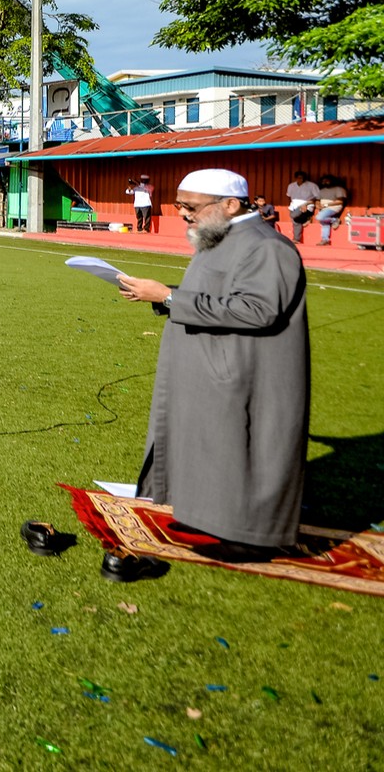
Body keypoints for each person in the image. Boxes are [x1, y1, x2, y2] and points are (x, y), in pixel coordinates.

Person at [114, 169, 311, 575]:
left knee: (248, 452)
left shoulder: (266, 248)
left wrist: (168, 296)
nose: (184, 214)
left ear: (231, 204)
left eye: (191, 206)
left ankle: (251, 538)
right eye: (180, 205)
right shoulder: (219, 238)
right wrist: (163, 297)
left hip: (247, 372)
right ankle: (209, 517)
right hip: (212, 367)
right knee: (212, 449)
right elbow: (210, 297)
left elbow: (259, 310)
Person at [283, 170, 318, 245]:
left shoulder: (312, 186)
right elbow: (289, 196)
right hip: (294, 206)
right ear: (295, 178)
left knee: (294, 216)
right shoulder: (291, 186)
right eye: (299, 178)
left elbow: (317, 197)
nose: (300, 179)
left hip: (307, 205)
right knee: (296, 221)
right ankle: (296, 239)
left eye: (302, 178)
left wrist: (306, 203)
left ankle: (308, 218)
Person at [314, 175, 347, 246]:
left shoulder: (338, 189)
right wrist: (317, 205)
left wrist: (326, 205)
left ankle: (335, 220)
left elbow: (340, 201)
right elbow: (317, 201)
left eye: (327, 181)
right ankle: (325, 239)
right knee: (324, 222)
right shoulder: (321, 191)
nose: (325, 182)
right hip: (323, 208)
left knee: (319, 217)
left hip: (333, 207)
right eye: (323, 181)